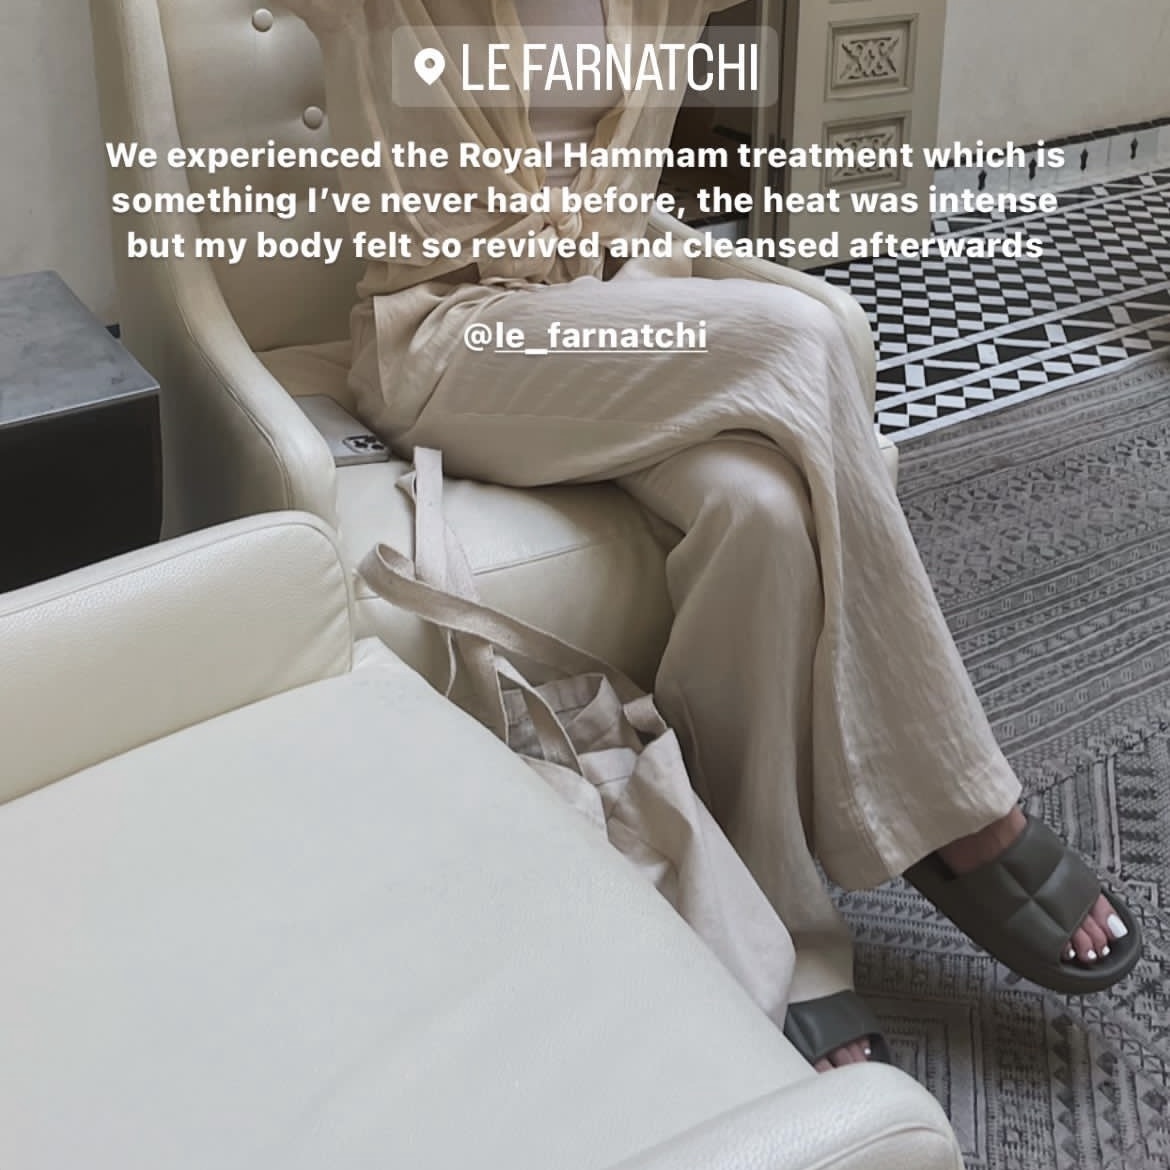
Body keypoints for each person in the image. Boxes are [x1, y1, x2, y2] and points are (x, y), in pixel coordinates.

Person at [284, 0, 1142, 1071]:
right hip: (462, 344)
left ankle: (779, 927)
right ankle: (957, 804)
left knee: (765, 514)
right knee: (802, 334)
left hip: (620, 319)